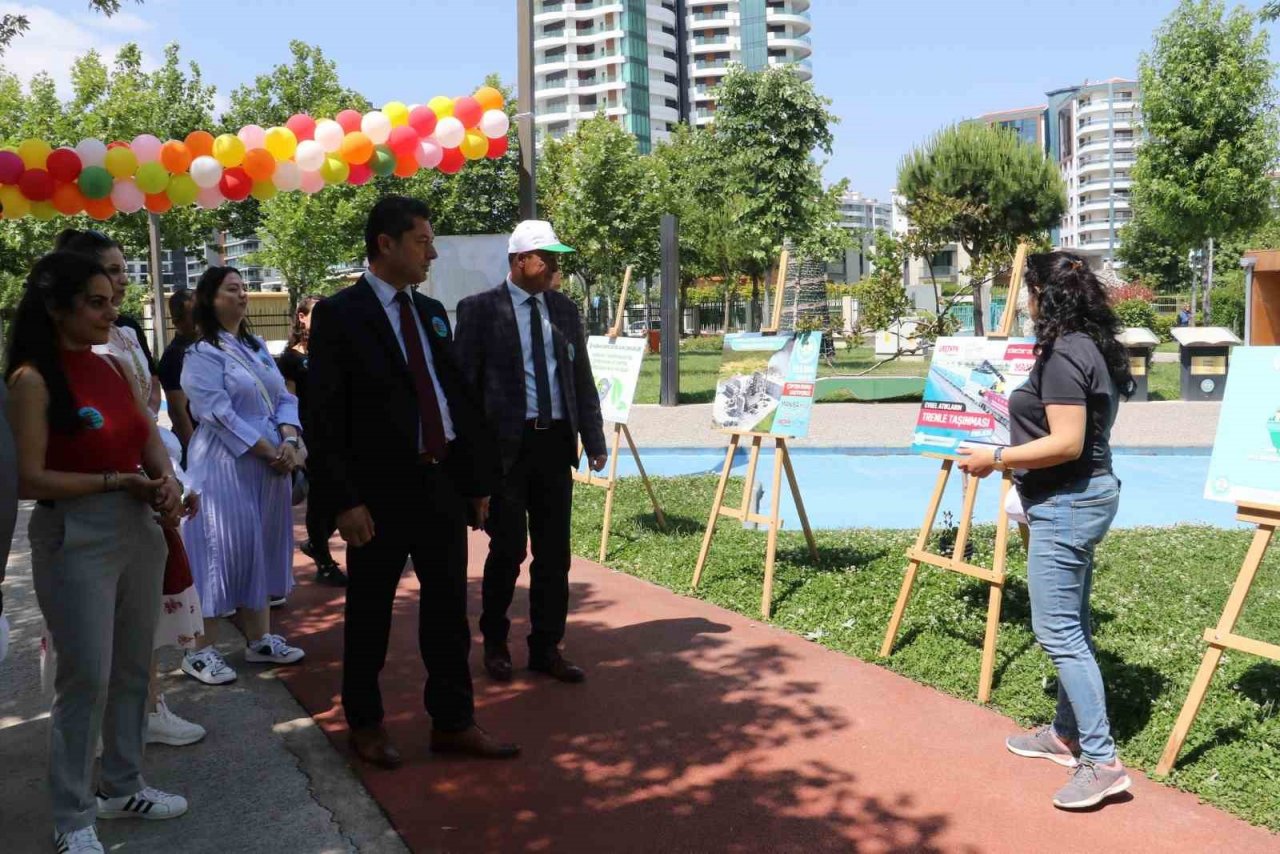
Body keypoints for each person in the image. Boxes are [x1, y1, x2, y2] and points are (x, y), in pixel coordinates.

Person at [308, 195, 517, 768]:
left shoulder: (429, 312)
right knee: (370, 612)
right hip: (376, 496)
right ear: (386, 244)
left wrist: (475, 480)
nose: (433, 251)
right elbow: (322, 417)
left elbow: (453, 397)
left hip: (441, 485)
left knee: (449, 610)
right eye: (423, 240)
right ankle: (366, 723)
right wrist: (343, 501)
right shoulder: (340, 314)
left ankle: (453, 721)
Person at [6, 252, 190, 854]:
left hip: (138, 526)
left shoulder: (108, 368)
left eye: (113, 301)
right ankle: (71, 815)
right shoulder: (33, 380)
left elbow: (145, 433)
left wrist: (165, 480)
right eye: (97, 302)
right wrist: (118, 482)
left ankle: (121, 784)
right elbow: (31, 479)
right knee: (86, 676)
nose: (111, 313)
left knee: (135, 664)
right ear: (58, 306)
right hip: (76, 536)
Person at [958, 251, 1134, 811]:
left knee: (1058, 633)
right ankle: (1065, 733)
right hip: (1081, 494)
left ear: (1043, 296)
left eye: (1027, 291)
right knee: (1072, 624)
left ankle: (1102, 762)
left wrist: (998, 455)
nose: (1022, 301)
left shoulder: (1063, 352)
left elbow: (1067, 442)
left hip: (1067, 501)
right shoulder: (1089, 344)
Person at [53, 229, 205, 747]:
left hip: (143, 479)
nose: (119, 283)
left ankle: (149, 704)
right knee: (92, 628)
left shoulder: (124, 338)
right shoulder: (63, 352)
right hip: (96, 496)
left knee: (145, 609)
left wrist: (167, 478)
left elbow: (146, 410)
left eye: (123, 270)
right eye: (110, 273)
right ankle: (99, 727)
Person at [454, 220, 607, 685]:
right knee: (507, 550)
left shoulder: (564, 309)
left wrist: (594, 438)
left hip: (555, 444)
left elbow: (580, 376)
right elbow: (465, 391)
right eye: (548, 257)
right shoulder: (479, 310)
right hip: (505, 450)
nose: (556, 266)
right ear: (520, 261)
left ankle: (546, 646)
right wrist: (471, 464)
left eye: (558, 257)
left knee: (554, 553)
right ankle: (496, 641)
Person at [179, 266, 306, 687]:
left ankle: (260, 638)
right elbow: (215, 412)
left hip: (269, 466)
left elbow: (283, 396)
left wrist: (290, 437)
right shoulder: (201, 354)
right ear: (210, 300)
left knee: (263, 545)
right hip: (225, 465)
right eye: (232, 289)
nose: (242, 295)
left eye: (243, 288)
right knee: (219, 549)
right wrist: (272, 450)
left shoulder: (253, 346)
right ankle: (199, 650)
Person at [277, 295, 346, 587]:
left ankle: (316, 542)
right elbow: (289, 400)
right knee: (321, 497)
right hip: (310, 434)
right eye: (315, 312)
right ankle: (324, 561)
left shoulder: (335, 348)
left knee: (339, 493)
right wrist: (294, 438)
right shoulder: (292, 358)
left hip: (338, 430)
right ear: (301, 317)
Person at [54, 229, 161, 415]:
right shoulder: (63, 341)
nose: (125, 280)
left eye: (124, 270)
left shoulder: (129, 329)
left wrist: (148, 425)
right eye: (113, 270)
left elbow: (152, 384)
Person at [158, 288, 198, 457]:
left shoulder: (207, 346)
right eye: (194, 314)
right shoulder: (175, 356)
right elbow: (177, 412)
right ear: (177, 321)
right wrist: (197, 452)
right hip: (197, 445)